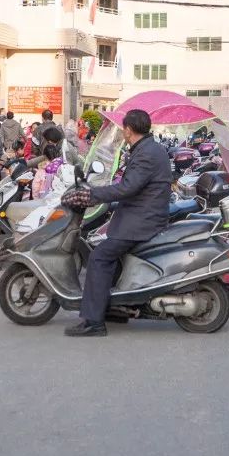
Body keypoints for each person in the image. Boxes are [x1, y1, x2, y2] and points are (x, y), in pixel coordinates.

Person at [62, 109, 171, 337]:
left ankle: (93, 322)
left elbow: (128, 188)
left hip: (142, 220)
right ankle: (113, 308)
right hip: (141, 213)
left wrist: (92, 196)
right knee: (110, 256)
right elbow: (133, 185)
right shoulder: (148, 149)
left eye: (124, 129)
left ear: (128, 130)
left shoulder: (146, 153)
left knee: (100, 257)